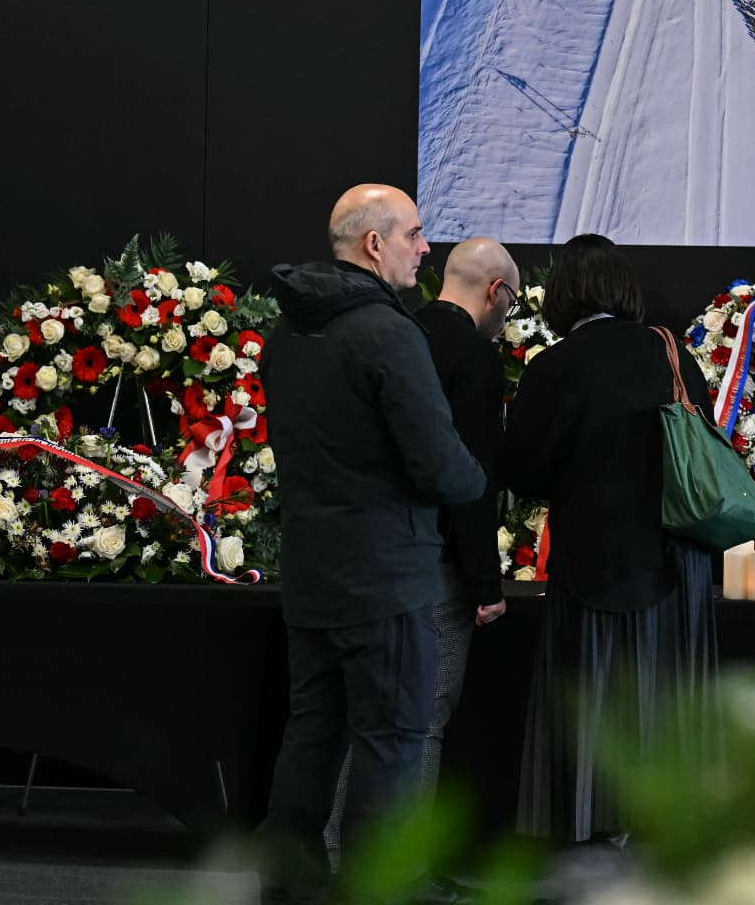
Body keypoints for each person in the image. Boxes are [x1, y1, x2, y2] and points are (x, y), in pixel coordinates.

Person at [258, 184, 486, 903]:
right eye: (416, 234)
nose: (426, 249)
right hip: (387, 580)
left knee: (311, 735)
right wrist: (479, 477)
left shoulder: (287, 333)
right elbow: (441, 465)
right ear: (374, 244)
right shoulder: (389, 334)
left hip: (312, 573)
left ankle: (288, 889)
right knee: (391, 743)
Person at [499, 233, 719, 843]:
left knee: (593, 702)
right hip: (677, 560)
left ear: (564, 295)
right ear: (623, 288)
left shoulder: (554, 367)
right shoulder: (669, 352)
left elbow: (523, 472)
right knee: (669, 692)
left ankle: (591, 830)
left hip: (594, 561)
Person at [324, 238, 519, 869]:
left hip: (366, 557)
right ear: (496, 292)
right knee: (421, 724)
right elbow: (469, 481)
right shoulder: (477, 360)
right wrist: (486, 583)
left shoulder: (393, 336)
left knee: (368, 725)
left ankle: (337, 857)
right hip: (434, 567)